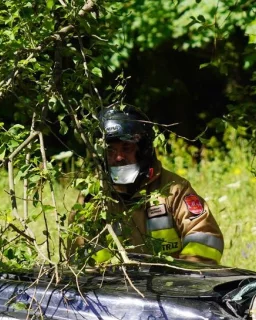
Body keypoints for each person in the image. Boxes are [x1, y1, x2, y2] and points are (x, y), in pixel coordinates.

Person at [88, 105, 224, 265]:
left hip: (171, 285)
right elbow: (81, 253)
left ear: (144, 149)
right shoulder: (93, 197)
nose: (118, 157)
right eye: (110, 150)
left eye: (127, 148)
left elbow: (205, 236)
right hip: (114, 287)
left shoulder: (173, 189)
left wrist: (185, 277)